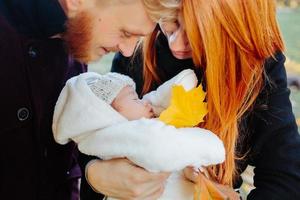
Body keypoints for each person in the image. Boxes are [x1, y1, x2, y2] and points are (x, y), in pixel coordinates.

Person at [81, 0, 300, 199]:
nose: (176, 45)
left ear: (233, 29)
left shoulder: (259, 67)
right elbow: (92, 137)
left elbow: (285, 179)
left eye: (199, 33)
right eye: (171, 21)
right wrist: (95, 175)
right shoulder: (140, 48)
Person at [0, 0, 176, 199]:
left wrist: (94, 172)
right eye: (125, 33)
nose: (128, 51)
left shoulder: (80, 34)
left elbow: (68, 151)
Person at [52, 69, 225, 199]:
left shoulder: (127, 124)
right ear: (109, 113)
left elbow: (156, 101)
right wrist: (210, 146)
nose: (145, 103)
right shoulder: (124, 134)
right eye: (135, 99)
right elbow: (160, 145)